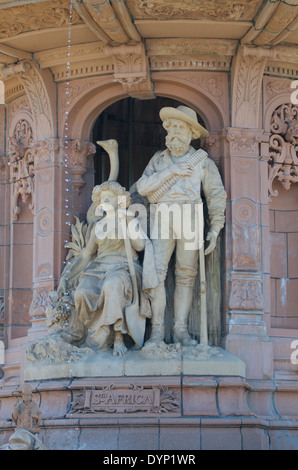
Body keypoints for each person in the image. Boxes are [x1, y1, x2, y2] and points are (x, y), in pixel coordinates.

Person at [136, 105, 227, 346]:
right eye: (171, 127)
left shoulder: (202, 162)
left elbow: (216, 195)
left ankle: (180, 330)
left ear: (190, 132)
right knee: (157, 274)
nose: (174, 132)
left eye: (179, 127)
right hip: (162, 216)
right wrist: (172, 171)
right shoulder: (159, 159)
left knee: (186, 275)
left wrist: (215, 227)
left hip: (190, 216)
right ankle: (156, 330)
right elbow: (143, 188)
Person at [57, 181, 151, 356]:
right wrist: (67, 277)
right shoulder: (98, 226)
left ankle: (118, 337)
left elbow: (140, 246)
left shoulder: (128, 220)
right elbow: (86, 255)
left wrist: (129, 222)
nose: (105, 200)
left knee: (112, 286)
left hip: (123, 268)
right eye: (102, 198)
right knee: (82, 292)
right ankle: (94, 335)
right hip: (98, 268)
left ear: (119, 200)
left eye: (109, 197)